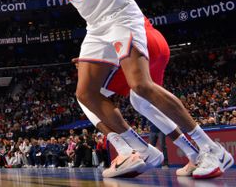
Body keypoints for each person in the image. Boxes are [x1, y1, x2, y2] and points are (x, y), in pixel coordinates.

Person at [29, 0, 233, 179]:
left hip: (120, 16)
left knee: (141, 87)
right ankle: (139, 149)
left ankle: (210, 148)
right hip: (95, 26)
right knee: (85, 93)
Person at [74, 16, 200, 176]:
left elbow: (107, 35)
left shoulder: (94, 4)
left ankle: (125, 150)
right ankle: (194, 153)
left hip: (131, 41)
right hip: (155, 39)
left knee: (86, 95)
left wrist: (87, 62)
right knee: (143, 102)